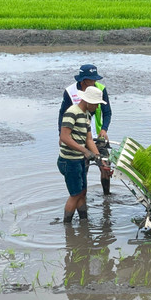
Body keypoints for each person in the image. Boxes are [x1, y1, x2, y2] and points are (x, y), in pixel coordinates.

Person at [59, 64, 113, 194]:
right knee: (83, 169)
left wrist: (104, 129)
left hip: (97, 136)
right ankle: (81, 197)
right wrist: (61, 135)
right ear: (83, 81)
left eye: (95, 80)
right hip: (79, 138)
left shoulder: (100, 89)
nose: (94, 83)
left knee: (105, 165)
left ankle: (107, 195)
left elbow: (107, 112)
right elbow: (63, 116)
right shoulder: (70, 92)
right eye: (91, 81)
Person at [57, 86, 108, 224]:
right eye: (96, 104)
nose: (97, 107)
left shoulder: (86, 115)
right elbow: (64, 137)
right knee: (75, 195)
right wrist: (85, 151)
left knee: (83, 193)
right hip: (69, 160)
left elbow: (89, 140)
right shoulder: (72, 112)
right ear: (88, 101)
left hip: (79, 159)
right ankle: (67, 226)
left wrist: (99, 159)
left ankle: (84, 222)